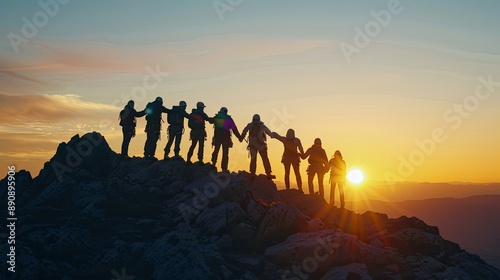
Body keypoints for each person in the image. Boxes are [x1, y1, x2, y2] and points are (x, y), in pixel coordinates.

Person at [240, 114, 275, 179]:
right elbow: (270, 133)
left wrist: (241, 138)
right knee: (265, 159)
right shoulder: (262, 126)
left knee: (253, 160)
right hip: (261, 146)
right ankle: (268, 174)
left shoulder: (250, 125)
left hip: (252, 146)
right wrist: (273, 135)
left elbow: (244, 131)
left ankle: (252, 174)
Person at [211, 107, 241, 173]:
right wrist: (239, 137)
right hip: (226, 139)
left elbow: (211, 121)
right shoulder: (229, 119)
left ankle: (213, 164)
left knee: (216, 151)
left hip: (217, 137)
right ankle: (224, 168)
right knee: (225, 154)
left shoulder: (217, 117)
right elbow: (234, 129)